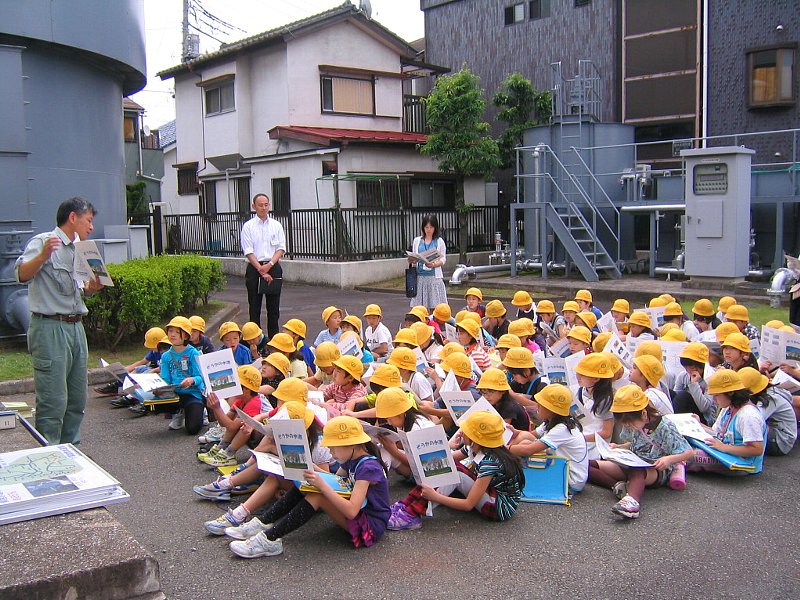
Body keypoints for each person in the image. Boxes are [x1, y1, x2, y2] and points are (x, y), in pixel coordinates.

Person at [228, 416, 390, 557]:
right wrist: (311, 468)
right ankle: (263, 522)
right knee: (309, 484)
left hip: (369, 525)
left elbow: (352, 510)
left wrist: (321, 484)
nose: (331, 452)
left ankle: (269, 539)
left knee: (318, 494)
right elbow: (336, 479)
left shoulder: (368, 468)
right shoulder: (351, 458)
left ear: (351, 444)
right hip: (359, 513)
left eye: (333, 447)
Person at [15, 197, 104, 445]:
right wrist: (43, 256)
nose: (91, 227)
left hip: (76, 327)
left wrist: (92, 288)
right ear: (72, 218)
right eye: (88, 220)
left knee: (77, 399)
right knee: (53, 400)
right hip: (50, 327)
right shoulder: (44, 242)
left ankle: (71, 452)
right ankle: (49, 455)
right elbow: (22, 274)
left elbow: (78, 288)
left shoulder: (80, 250)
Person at [387, 410, 525, 530]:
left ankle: (412, 513)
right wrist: (449, 445)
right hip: (488, 493)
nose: (461, 431)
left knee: (455, 472)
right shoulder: (475, 447)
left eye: (466, 431)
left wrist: (436, 497)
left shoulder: (491, 461)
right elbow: (445, 460)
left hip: (500, 507)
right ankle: (407, 505)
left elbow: (468, 504)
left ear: (475, 439)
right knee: (445, 466)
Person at [591, 385, 693, 520]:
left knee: (636, 471)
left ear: (644, 413)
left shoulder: (665, 426)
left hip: (655, 468)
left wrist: (669, 460)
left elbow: (689, 452)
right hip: (630, 460)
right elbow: (633, 443)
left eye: (629, 424)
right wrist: (619, 447)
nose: (628, 427)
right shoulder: (634, 423)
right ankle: (617, 487)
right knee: (588, 465)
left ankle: (632, 502)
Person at [508, 384, 589, 494]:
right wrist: (515, 432)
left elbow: (529, 450)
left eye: (540, 405)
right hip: (564, 469)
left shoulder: (562, 429)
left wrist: (505, 448)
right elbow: (532, 434)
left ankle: (506, 471)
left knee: (525, 447)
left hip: (571, 481)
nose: (537, 407)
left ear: (551, 409)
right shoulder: (553, 421)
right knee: (525, 440)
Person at [241, 193, 286, 338]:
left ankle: (274, 341)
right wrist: (261, 270)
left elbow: (281, 248)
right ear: (254, 206)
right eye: (260, 205)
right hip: (255, 269)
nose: (263, 208)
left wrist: (270, 265)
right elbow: (248, 251)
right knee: (254, 308)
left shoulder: (276, 225)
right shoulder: (248, 226)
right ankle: (255, 341)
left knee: (274, 310)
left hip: (273, 267)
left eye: (266, 204)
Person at [160, 316, 206, 434]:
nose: (173, 335)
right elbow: (165, 379)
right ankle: (179, 413)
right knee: (151, 405)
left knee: (193, 429)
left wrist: (191, 380)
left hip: (192, 393)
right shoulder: (166, 356)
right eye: (170, 331)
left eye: (177, 332)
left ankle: (201, 410)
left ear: (186, 335)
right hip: (175, 394)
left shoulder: (193, 352)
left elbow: (200, 377)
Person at [408, 214, 448, 310]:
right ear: (423, 227)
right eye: (426, 227)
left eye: (431, 227)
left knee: (436, 307)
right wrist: (412, 260)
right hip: (420, 278)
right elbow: (414, 256)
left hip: (434, 278)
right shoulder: (417, 241)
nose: (428, 229)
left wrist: (433, 264)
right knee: (419, 308)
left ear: (435, 228)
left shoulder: (439, 241)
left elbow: (443, 259)